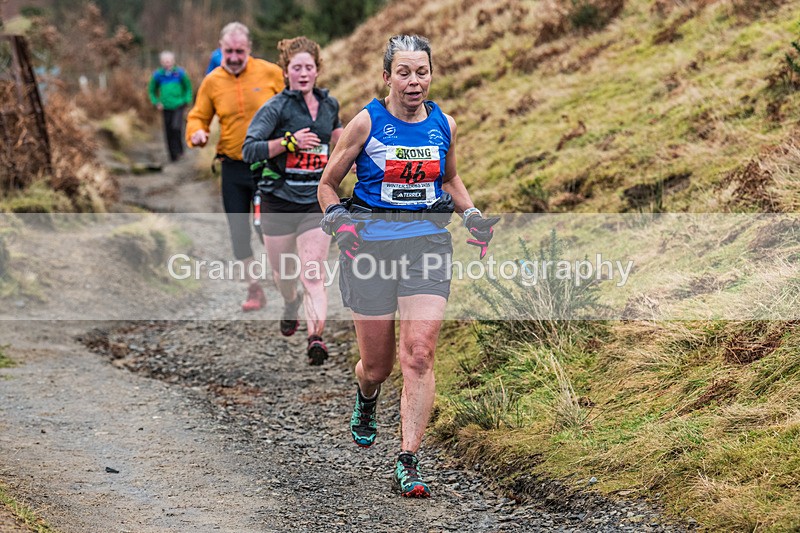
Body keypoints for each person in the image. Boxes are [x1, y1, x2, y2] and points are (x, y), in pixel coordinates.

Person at [318, 35, 499, 497]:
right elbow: (327, 184)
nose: (413, 81)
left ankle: (408, 459)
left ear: (431, 75)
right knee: (376, 367)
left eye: (421, 72)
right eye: (404, 72)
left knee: (418, 354)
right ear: (387, 77)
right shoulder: (366, 123)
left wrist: (472, 214)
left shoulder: (445, 124)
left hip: (427, 246)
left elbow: (451, 178)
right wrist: (338, 219)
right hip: (370, 252)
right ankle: (367, 395)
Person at [243, 36, 342, 364]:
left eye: (308, 67)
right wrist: (288, 142)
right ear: (285, 72)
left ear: (317, 70)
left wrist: (351, 156)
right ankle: (289, 302)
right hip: (279, 202)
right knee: (283, 275)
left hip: (316, 201)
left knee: (313, 273)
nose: (302, 73)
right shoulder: (276, 108)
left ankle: (316, 338)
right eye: (295, 67)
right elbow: (249, 150)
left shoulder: (329, 106)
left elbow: (338, 142)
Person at [186, 22, 284, 311]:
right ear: (220, 48)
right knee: (238, 231)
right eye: (228, 51)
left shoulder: (270, 73)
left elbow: (297, 104)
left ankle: (287, 282)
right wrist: (197, 133)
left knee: (268, 228)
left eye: (239, 51)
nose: (234, 56)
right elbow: (198, 116)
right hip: (233, 166)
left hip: (269, 164)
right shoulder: (212, 81)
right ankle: (254, 289)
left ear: (249, 49)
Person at [148, 51, 192, 162]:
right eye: (164, 61)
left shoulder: (180, 73)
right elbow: (151, 90)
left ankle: (179, 149)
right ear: (161, 62)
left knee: (176, 127)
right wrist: (156, 102)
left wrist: (186, 100)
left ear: (173, 61)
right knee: (168, 130)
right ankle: (172, 155)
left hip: (178, 105)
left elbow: (188, 88)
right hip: (165, 106)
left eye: (169, 61)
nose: (167, 63)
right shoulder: (158, 75)